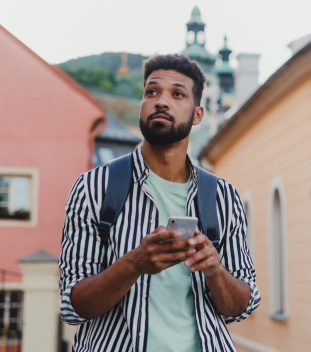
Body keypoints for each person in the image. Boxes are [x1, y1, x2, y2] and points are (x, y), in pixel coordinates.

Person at [58, 54, 260, 352]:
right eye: (151, 92)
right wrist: (133, 264)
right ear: (141, 105)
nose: (161, 101)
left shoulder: (223, 196)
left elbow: (241, 306)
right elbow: (74, 307)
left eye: (177, 94)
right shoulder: (93, 188)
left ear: (198, 114)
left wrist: (215, 270)